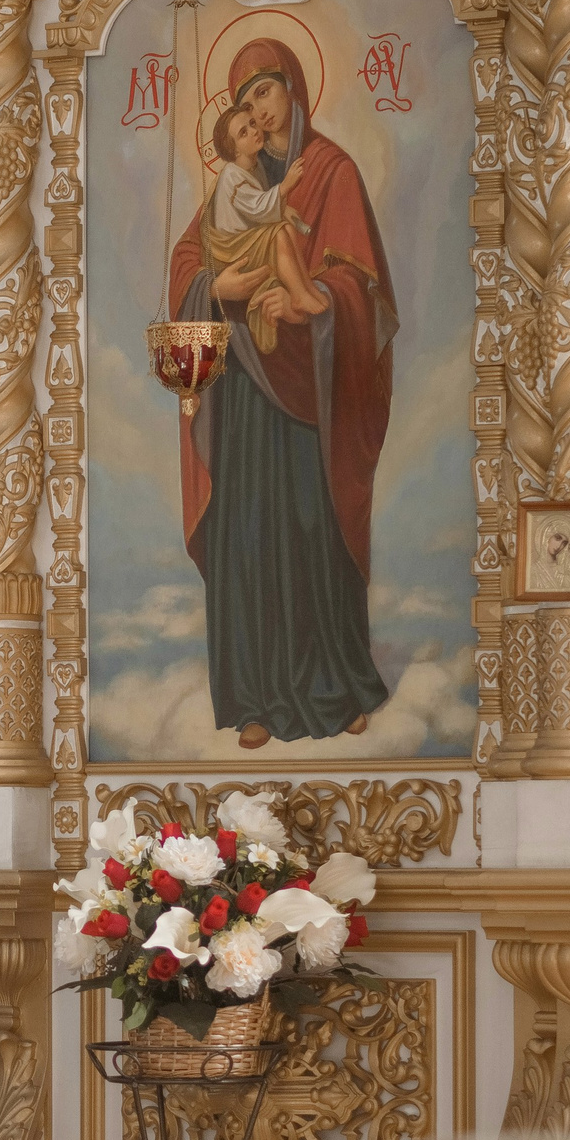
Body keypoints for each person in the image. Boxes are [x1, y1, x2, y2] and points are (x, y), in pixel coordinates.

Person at [168, 39, 393, 750]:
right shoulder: (235, 185)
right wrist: (216, 288)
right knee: (248, 534)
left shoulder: (332, 172)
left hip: (312, 400)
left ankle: (336, 686)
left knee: (308, 527)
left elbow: (365, 291)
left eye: (267, 93)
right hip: (242, 393)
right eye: (246, 103)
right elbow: (187, 264)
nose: (259, 113)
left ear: (296, 92)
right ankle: (253, 699)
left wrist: (318, 299)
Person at [202, 103, 315, 356]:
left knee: (283, 229)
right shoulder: (231, 174)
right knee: (279, 235)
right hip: (233, 249)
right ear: (233, 149)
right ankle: (300, 294)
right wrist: (285, 187)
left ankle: (303, 291)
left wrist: (281, 210)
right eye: (243, 133)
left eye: (252, 124)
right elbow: (257, 205)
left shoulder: (253, 167)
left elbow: (256, 208)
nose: (254, 131)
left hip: (247, 240)